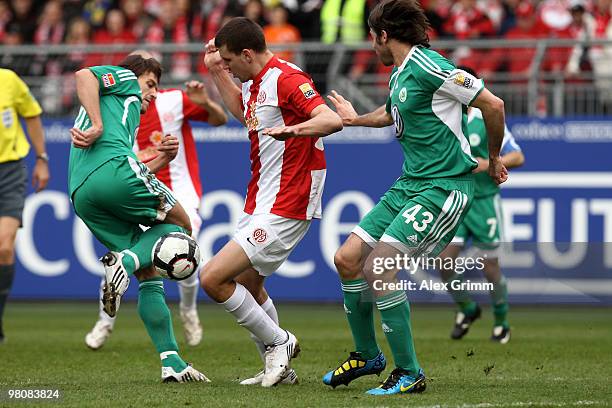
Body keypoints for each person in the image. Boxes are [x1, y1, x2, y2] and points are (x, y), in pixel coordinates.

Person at [323, 0, 507, 396]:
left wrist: (492, 160)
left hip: (443, 187)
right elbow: (392, 114)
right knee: (347, 259)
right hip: (410, 184)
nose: (372, 46)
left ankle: (409, 372)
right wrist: (355, 119)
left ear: (385, 36)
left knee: (379, 267)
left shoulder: (428, 65)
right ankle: (368, 355)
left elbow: (493, 103)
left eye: (373, 38)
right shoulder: (401, 73)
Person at [201, 17, 343, 387]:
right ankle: (280, 369)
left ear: (248, 54)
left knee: (213, 278)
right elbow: (242, 113)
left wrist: (295, 129)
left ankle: (279, 343)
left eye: (230, 61)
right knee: (248, 284)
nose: (229, 67)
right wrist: (218, 72)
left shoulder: (287, 79)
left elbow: (330, 120)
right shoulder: (255, 81)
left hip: (289, 200)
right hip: (261, 197)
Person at [69, 54, 209, 382]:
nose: (154, 92)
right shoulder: (124, 79)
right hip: (112, 171)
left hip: (82, 193)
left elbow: (130, 174)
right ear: (135, 77)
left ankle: (171, 360)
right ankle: (125, 263)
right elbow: (84, 75)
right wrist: (98, 124)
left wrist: (164, 156)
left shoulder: (118, 110)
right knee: (182, 224)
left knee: (150, 272)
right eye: (151, 84)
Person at [84, 75, 228, 350]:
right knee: (124, 252)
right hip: (135, 192)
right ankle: (105, 321)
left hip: (180, 192)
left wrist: (206, 102)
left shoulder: (172, 99)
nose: (149, 88)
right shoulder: (116, 109)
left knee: (183, 249)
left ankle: (188, 310)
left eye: (152, 82)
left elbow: (219, 119)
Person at [439, 67, 524, 345]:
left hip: (484, 202)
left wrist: (490, 163)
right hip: (458, 201)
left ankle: (502, 323)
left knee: (490, 267)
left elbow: (517, 156)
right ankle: (467, 308)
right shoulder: (446, 117)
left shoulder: (485, 116)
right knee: (443, 262)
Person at [0, 68, 49, 344]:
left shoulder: (8, 79)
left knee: (4, 246)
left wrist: (42, 158)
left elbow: (31, 113)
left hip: (9, 170)